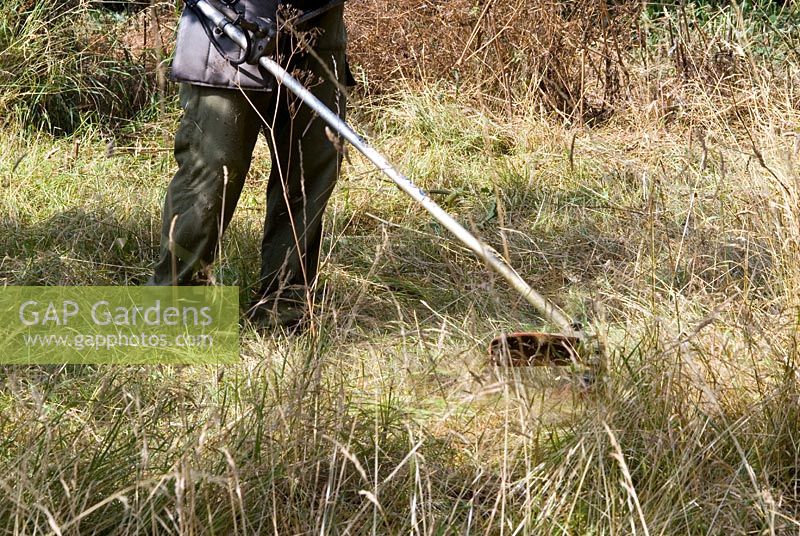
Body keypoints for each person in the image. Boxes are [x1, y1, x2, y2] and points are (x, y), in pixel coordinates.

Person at [147, 0, 349, 331]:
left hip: (318, 20)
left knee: (310, 169)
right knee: (213, 169)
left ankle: (286, 309)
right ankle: (175, 308)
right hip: (227, 22)